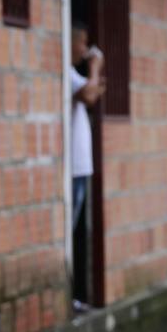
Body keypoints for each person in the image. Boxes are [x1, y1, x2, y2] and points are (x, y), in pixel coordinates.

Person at [68, 22, 104, 312]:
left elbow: (94, 91)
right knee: (70, 230)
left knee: (76, 227)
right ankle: (70, 297)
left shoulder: (73, 74)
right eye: (82, 43)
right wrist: (95, 68)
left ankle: (74, 297)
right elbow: (90, 94)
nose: (85, 49)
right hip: (73, 167)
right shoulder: (66, 72)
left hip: (80, 167)